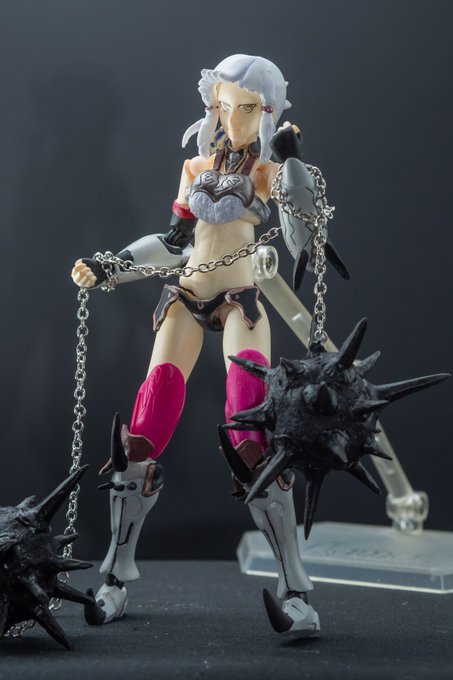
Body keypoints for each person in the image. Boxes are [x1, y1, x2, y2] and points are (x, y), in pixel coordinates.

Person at [72, 54, 321, 635]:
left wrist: (292, 162)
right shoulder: (196, 166)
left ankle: (296, 593)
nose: (233, 119)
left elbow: (302, 237)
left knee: (249, 431)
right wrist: (112, 266)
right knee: (143, 429)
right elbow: (173, 241)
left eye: (248, 109)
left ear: (268, 112)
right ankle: (114, 579)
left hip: (241, 299)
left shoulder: (269, 172)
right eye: (225, 106)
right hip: (186, 295)